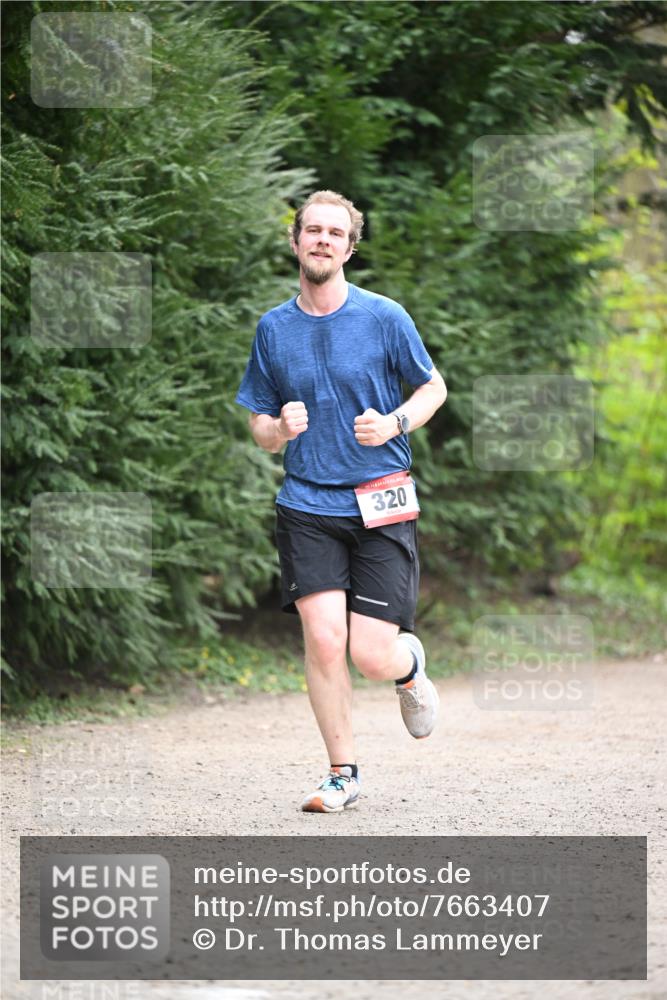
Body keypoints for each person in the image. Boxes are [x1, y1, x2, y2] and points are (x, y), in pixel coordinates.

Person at [235, 190, 447, 813]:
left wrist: (396, 423)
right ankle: (341, 772)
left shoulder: (384, 317)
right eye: (313, 231)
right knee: (324, 641)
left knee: (371, 653)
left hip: (380, 500)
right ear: (296, 241)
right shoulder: (274, 328)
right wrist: (280, 430)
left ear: (350, 247)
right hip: (307, 504)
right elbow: (259, 424)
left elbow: (433, 387)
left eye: (335, 233)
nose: (322, 240)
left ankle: (408, 670)